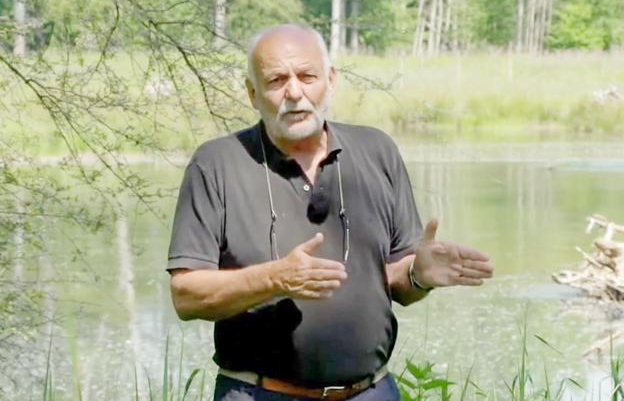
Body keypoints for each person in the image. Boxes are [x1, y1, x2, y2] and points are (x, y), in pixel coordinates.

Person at [167, 24, 494, 401]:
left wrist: (418, 275)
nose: (294, 92)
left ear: (331, 80)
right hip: (260, 394)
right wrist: (275, 279)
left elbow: (396, 282)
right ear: (253, 93)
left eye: (307, 76)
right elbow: (187, 296)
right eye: (276, 80)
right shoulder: (217, 163)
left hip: (371, 392)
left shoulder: (377, 150)